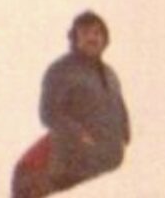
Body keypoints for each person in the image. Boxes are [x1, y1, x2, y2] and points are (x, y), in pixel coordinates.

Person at [11, 11, 131, 198]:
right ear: (74, 38)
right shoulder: (61, 70)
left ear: (105, 39)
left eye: (98, 33)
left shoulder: (110, 74)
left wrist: (126, 133)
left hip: (108, 163)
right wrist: (78, 135)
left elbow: (119, 106)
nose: (92, 37)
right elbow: (49, 113)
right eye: (85, 33)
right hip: (71, 165)